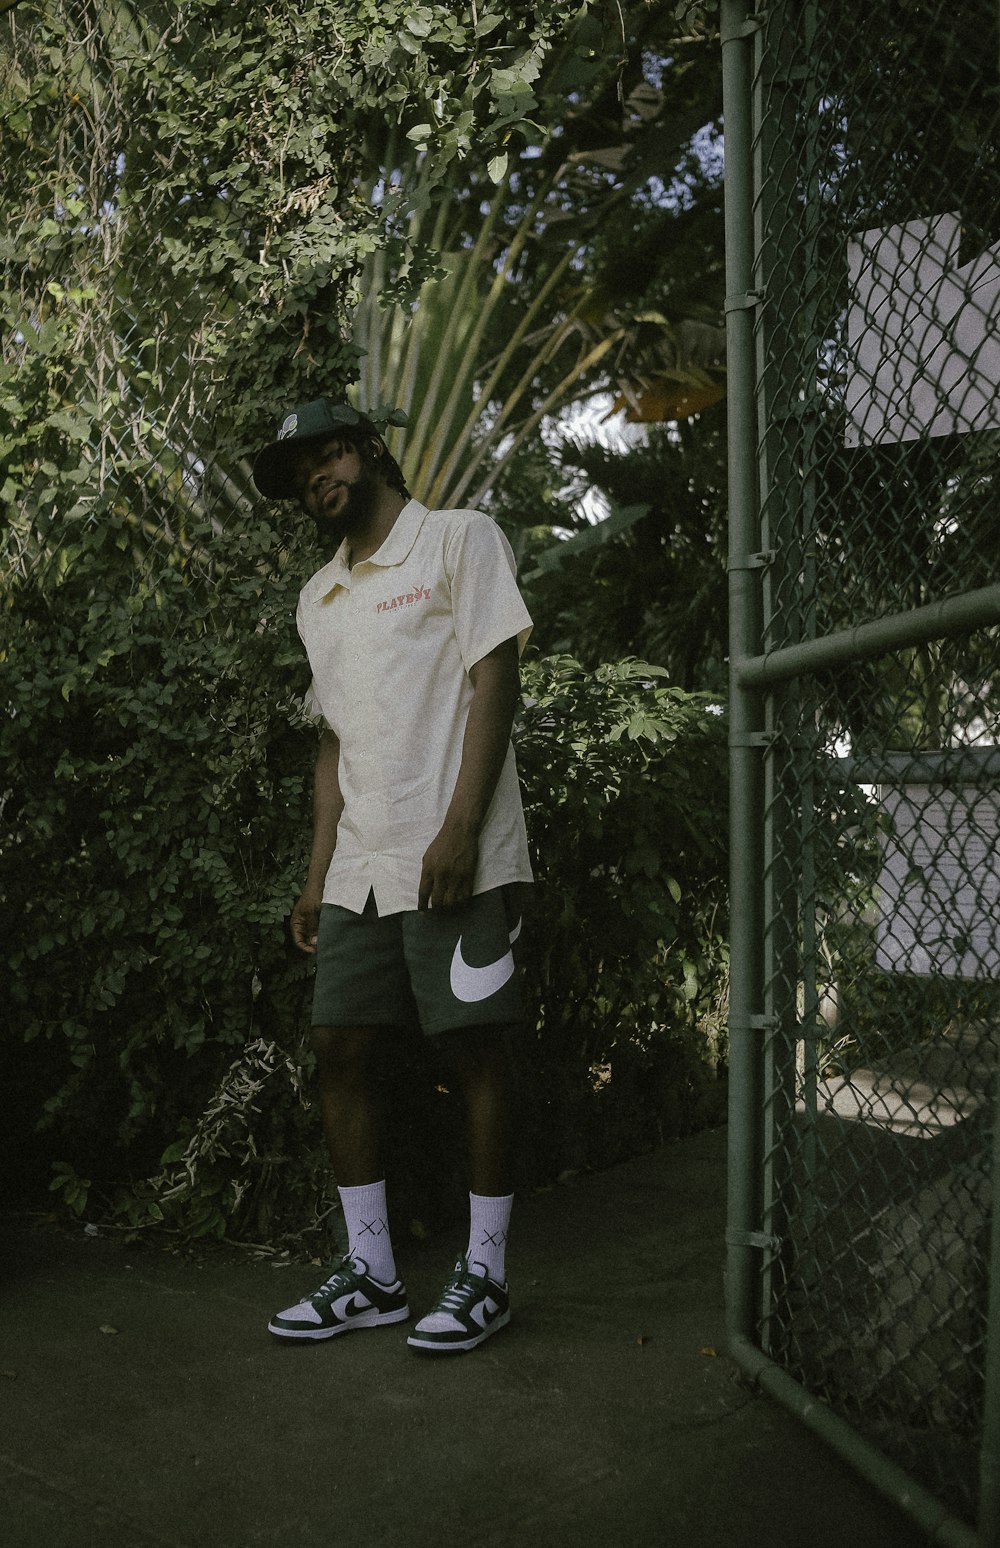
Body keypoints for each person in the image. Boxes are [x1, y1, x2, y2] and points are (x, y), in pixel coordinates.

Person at [251, 398, 534, 1354]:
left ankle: (487, 1276)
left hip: (454, 851)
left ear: (369, 450)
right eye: (297, 476)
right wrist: (316, 870)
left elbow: (499, 677)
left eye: (324, 455)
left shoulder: (458, 540)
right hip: (361, 865)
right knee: (339, 1047)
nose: (312, 480)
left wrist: (459, 828)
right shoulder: (316, 599)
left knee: (475, 1052)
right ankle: (370, 1273)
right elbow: (332, 742)